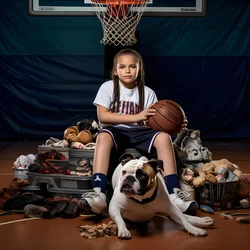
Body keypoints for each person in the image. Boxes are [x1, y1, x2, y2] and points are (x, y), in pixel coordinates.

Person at [79, 48, 197, 215]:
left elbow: (158, 123)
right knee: (103, 137)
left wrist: (176, 124)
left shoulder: (148, 93)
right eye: (122, 67)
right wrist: (137, 116)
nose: (127, 70)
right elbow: (103, 117)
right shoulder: (107, 87)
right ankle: (99, 193)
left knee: (163, 137)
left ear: (139, 69)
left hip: (140, 132)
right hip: (115, 130)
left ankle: (173, 193)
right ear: (115, 70)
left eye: (132, 66)